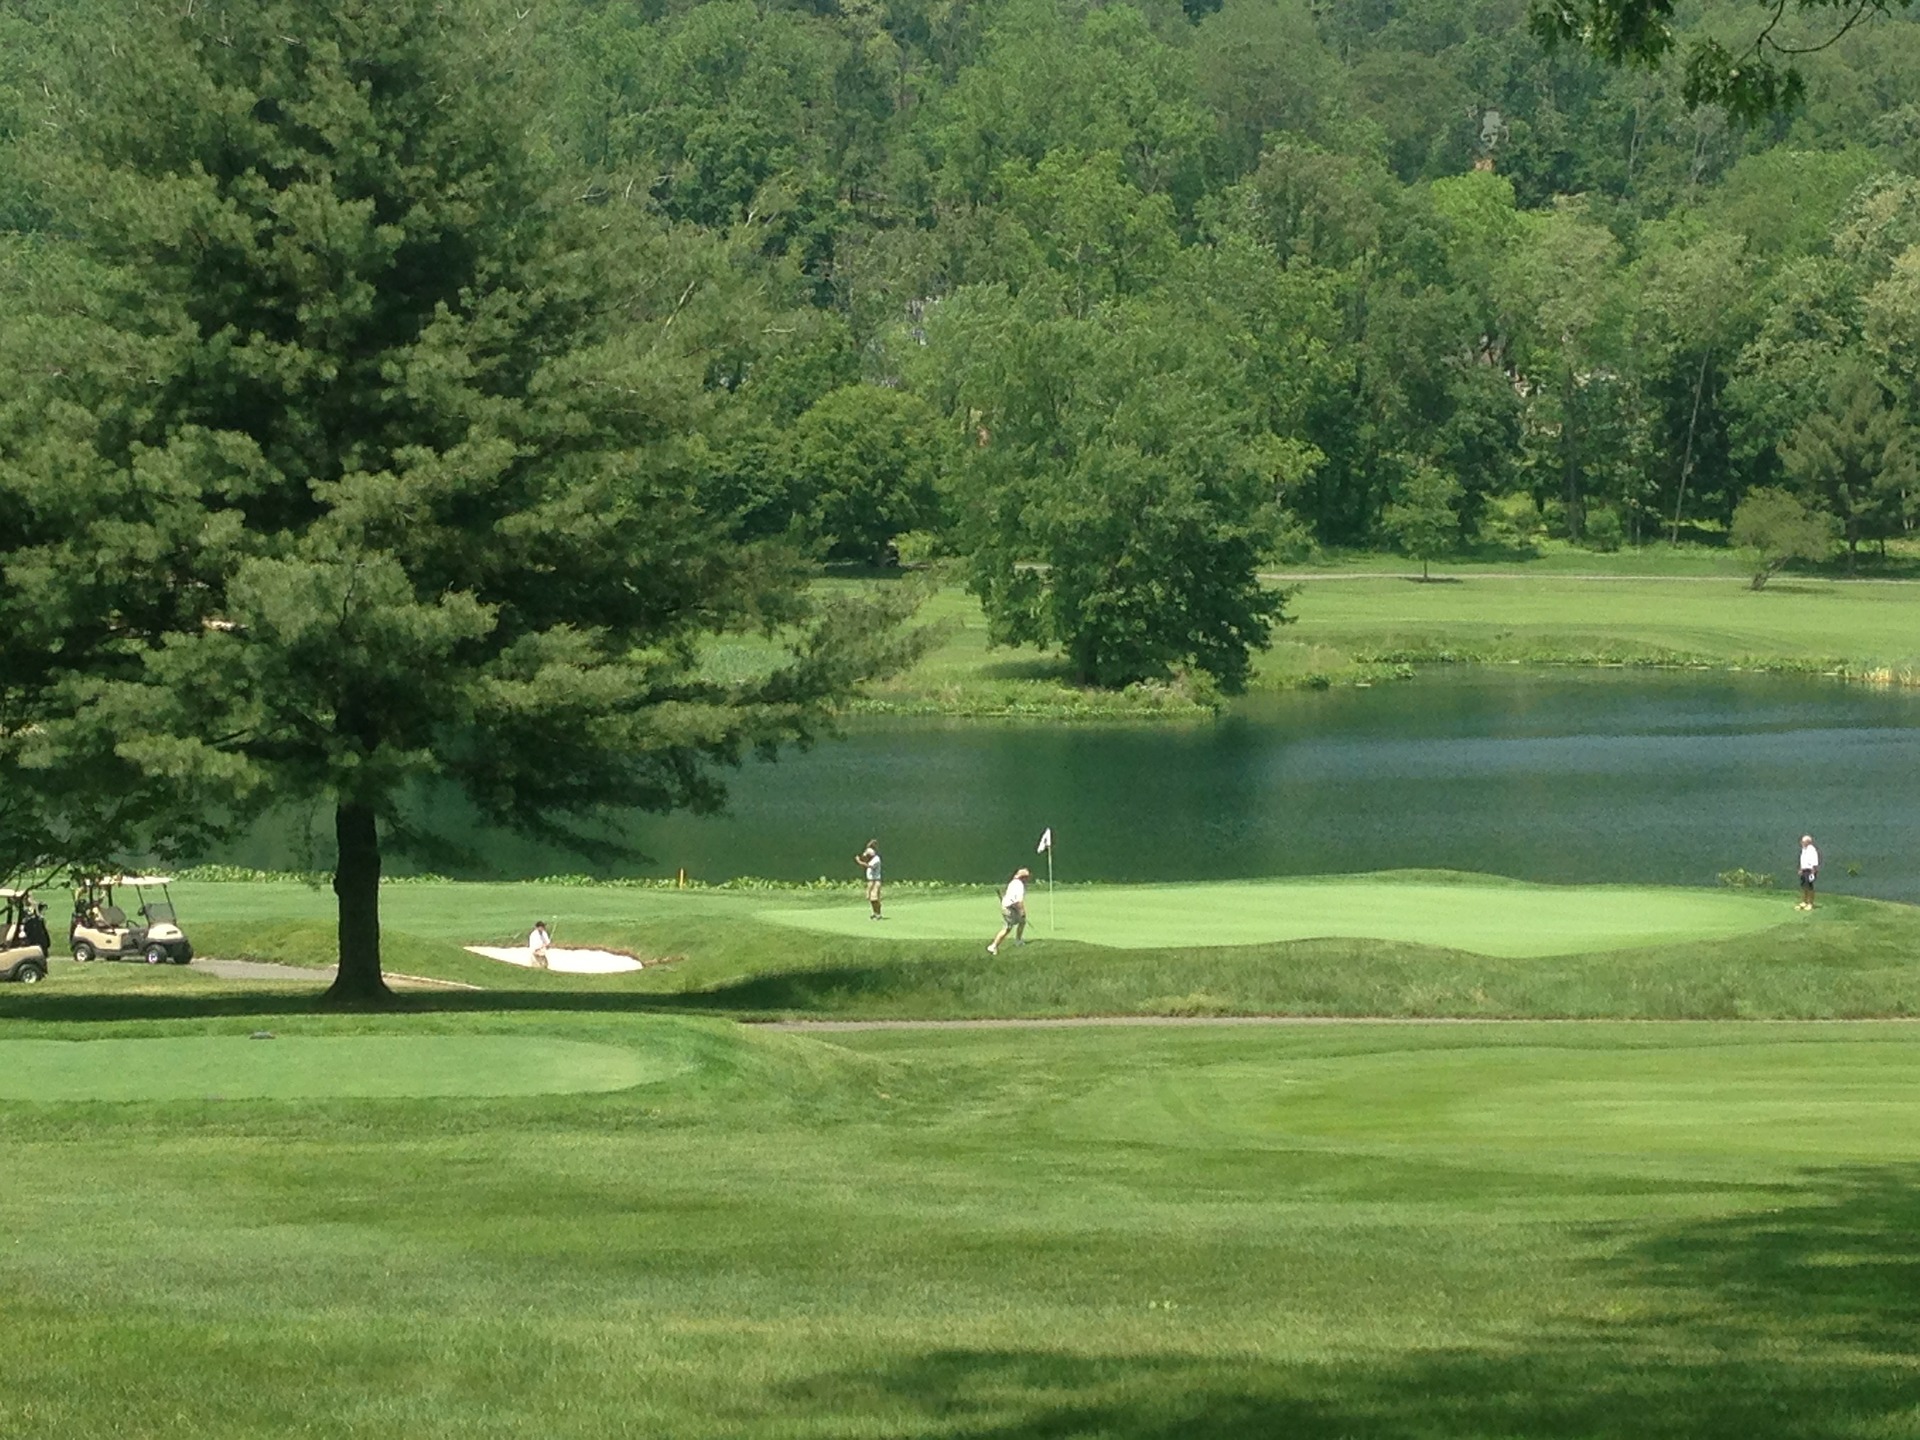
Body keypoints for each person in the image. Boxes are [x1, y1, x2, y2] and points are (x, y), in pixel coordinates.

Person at [988, 867, 1031, 955]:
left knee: (1022, 922)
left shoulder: (1013, 882)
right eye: (1026, 878)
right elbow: (1018, 901)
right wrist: (1022, 911)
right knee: (1007, 928)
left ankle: (1018, 941)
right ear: (1023, 878)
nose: (1028, 880)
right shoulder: (1019, 885)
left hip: (1009, 906)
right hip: (1009, 908)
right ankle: (993, 946)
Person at [856, 840, 884, 919]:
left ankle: (878, 913)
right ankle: (874, 913)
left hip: (875, 881)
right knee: (870, 898)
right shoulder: (870, 858)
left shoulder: (876, 859)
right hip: (870, 881)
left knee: (874, 897)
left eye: (868, 855)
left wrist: (859, 861)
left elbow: (869, 866)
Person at [1797, 835, 1820, 911]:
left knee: (1809, 887)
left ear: (1808, 842)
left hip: (1810, 871)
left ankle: (1810, 903)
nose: (1802, 843)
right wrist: (1800, 869)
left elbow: (1814, 862)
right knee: (1804, 886)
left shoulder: (1812, 850)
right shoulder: (1804, 849)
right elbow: (1803, 860)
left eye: (1803, 841)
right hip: (1804, 870)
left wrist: (1813, 873)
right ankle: (1804, 902)